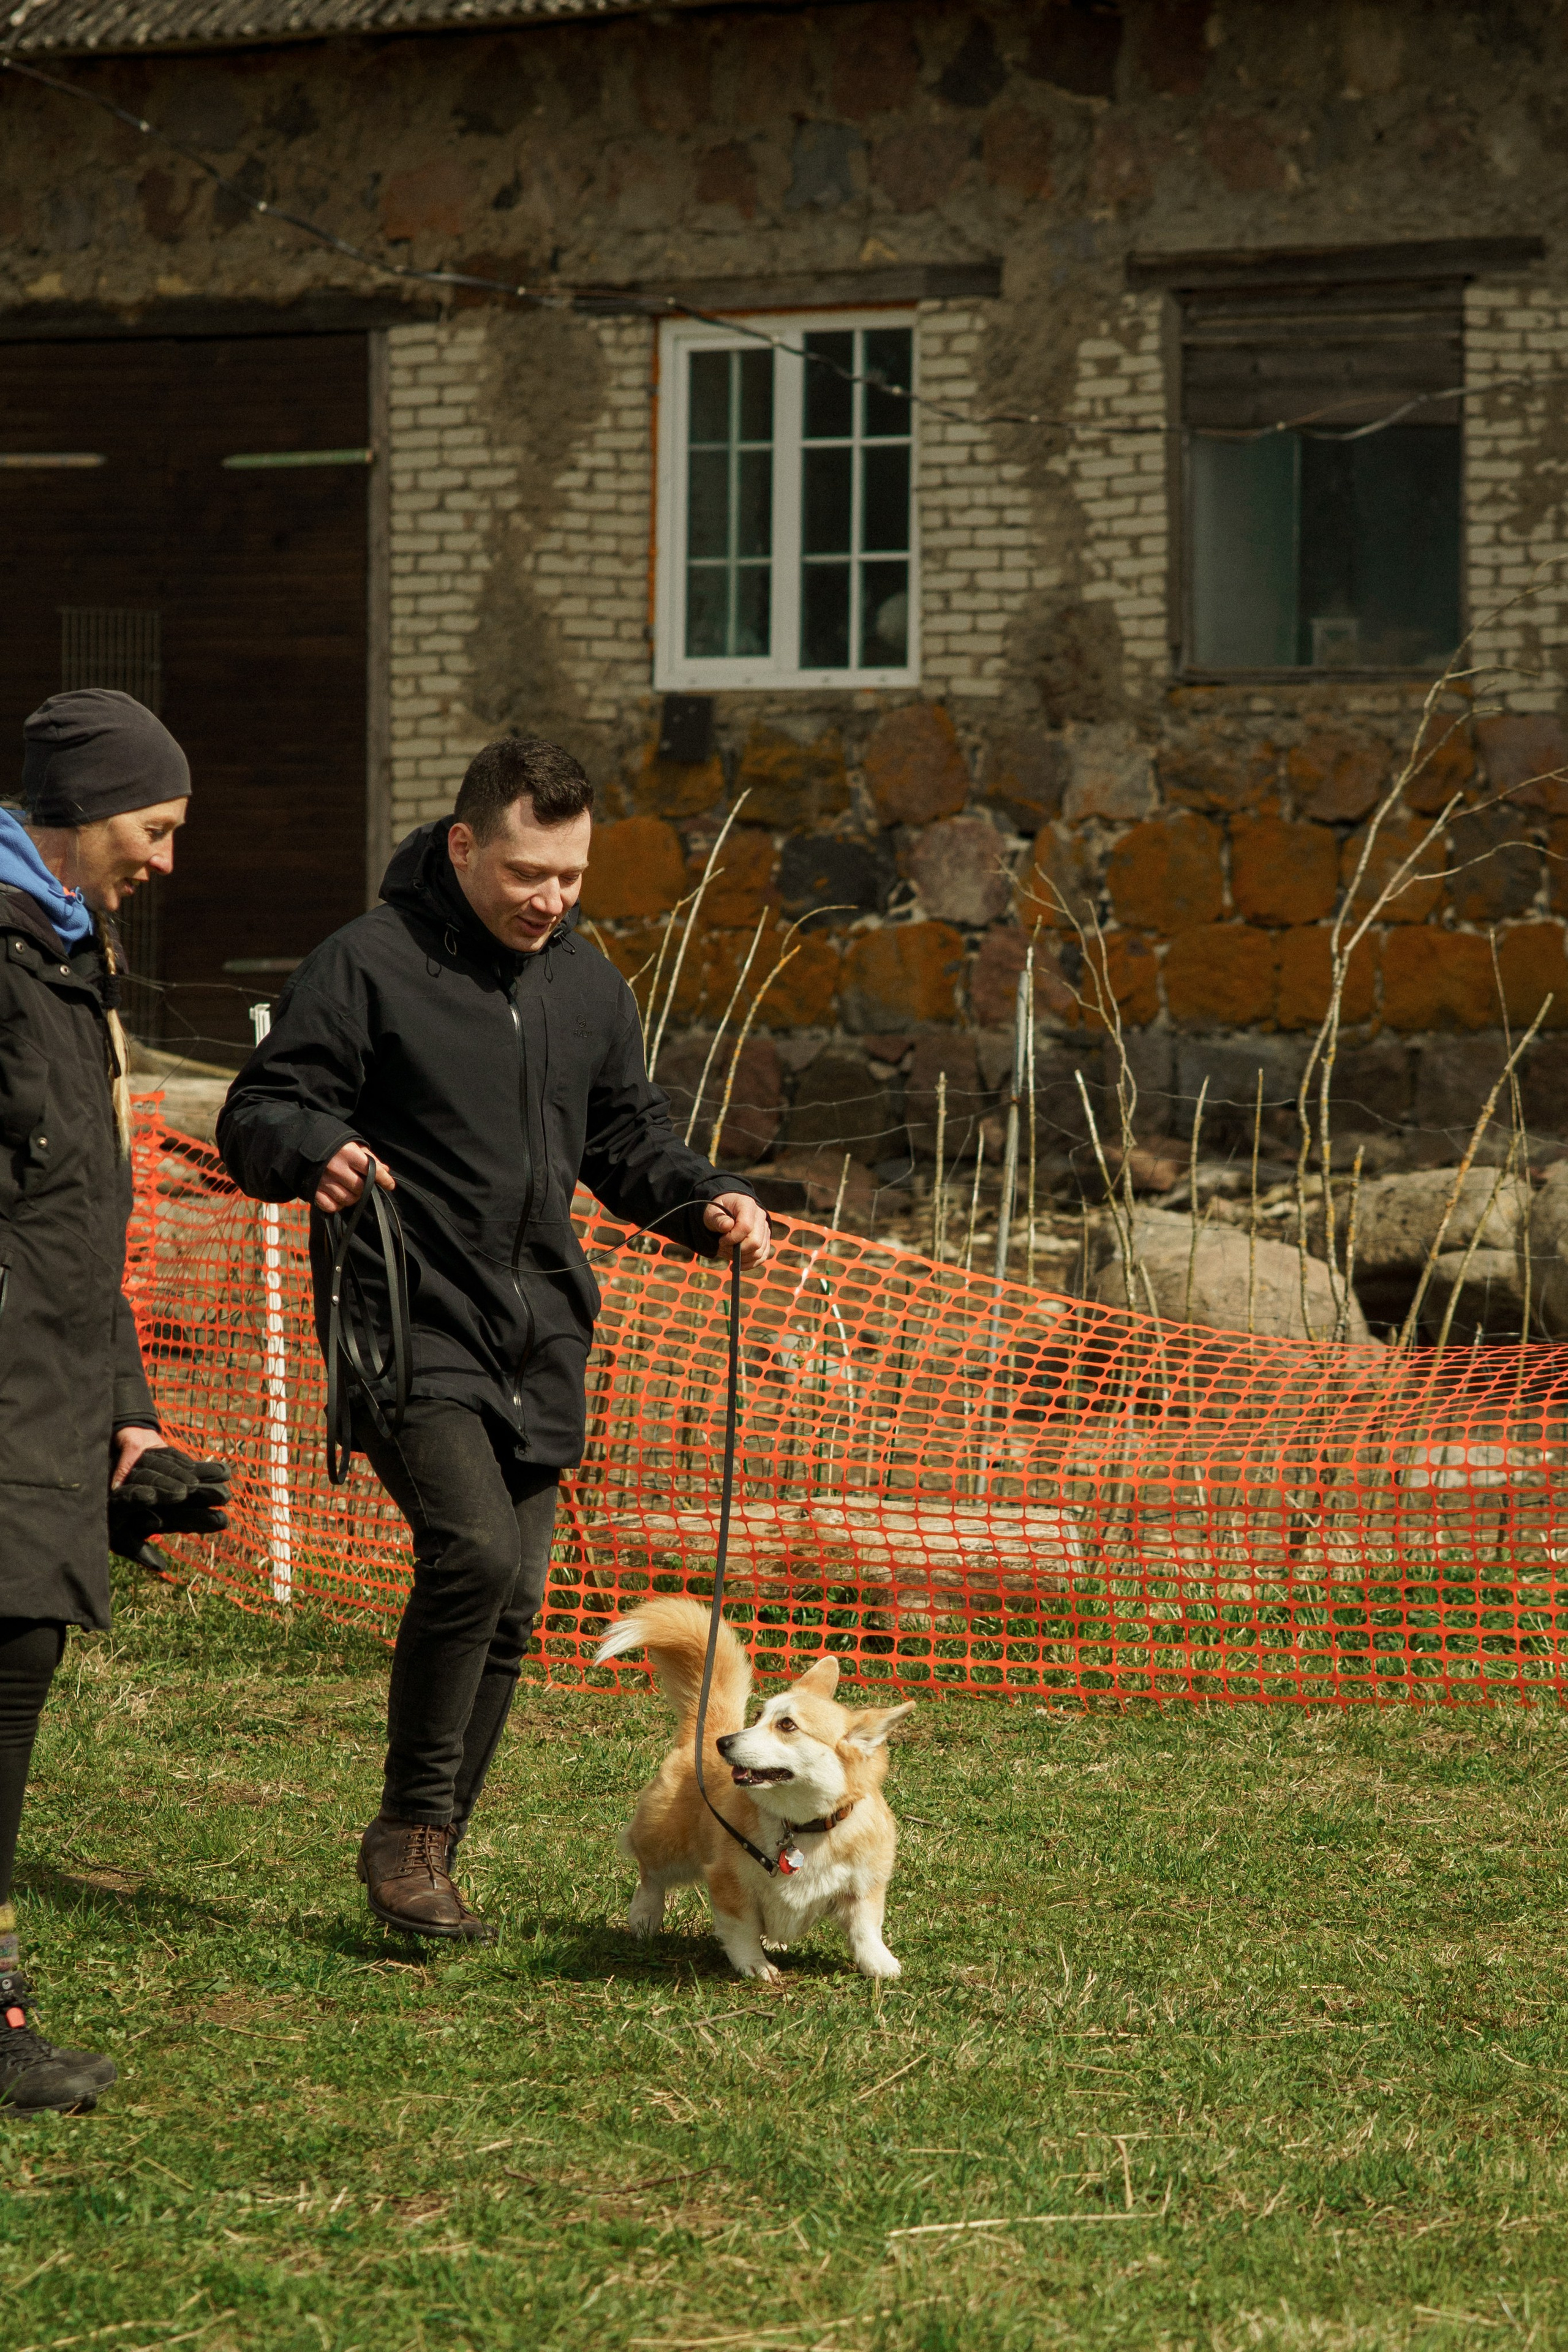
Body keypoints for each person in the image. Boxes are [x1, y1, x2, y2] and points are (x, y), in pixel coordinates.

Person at [217, 736, 770, 1943]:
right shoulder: (365, 966)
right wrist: (313, 1147)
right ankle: (407, 1836)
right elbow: (260, 1110)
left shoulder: (587, 989)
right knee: (471, 1552)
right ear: (464, 845)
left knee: (514, 1598)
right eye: (528, 872)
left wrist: (706, 1199)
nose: (551, 900)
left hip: (540, 1336)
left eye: (570, 878)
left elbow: (628, 1147)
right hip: (408, 1327)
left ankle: (429, 1856)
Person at [0, 690, 225, 2113]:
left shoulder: (69, 962)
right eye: (153, 827)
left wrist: (128, 1418)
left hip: (44, 1393)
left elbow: (72, 1225)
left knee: (15, 1679)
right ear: (79, 814)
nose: (164, 858)